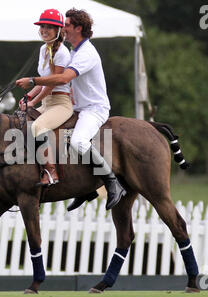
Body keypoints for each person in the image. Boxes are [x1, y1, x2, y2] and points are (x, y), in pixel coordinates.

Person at [16, 8, 126, 210]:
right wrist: (30, 96)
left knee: (78, 142)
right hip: (77, 107)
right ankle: (86, 189)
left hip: (93, 108)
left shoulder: (86, 53)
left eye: (65, 25)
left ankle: (112, 183)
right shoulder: (73, 51)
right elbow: (53, 78)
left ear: (78, 28)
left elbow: (63, 79)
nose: (62, 28)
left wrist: (32, 82)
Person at [19, 8, 73, 187]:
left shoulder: (63, 52)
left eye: (49, 27)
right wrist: (28, 96)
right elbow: (41, 81)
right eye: (42, 26)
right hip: (47, 102)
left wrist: (34, 102)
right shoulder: (43, 49)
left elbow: (52, 84)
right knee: (19, 120)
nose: (44, 29)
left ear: (58, 30)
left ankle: (51, 171)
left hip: (61, 103)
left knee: (38, 126)